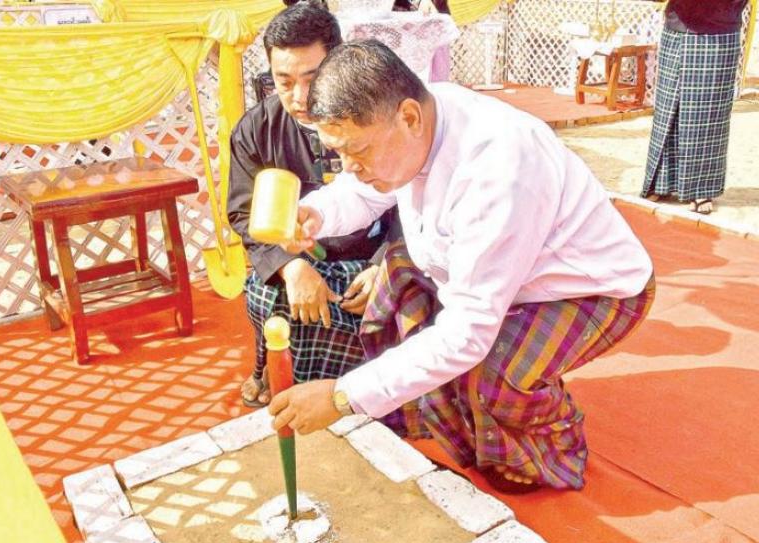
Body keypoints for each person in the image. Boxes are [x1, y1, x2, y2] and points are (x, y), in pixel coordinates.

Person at [269, 40, 655, 493]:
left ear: (409, 117)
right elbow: (364, 188)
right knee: (397, 279)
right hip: (491, 271)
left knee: (492, 372)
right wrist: (316, 213)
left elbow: (468, 332)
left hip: (590, 288)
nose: (350, 168)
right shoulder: (417, 118)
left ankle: (554, 448)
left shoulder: (499, 170)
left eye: (359, 151)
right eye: (340, 153)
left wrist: (342, 397)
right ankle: (436, 418)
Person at [227, 6, 396, 407]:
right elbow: (242, 212)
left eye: (312, 78)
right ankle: (276, 372)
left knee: (397, 296)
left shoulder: (373, 115)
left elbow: (408, 197)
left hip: (371, 256)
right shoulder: (256, 129)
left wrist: (386, 264)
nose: (299, 97)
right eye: (284, 82)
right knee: (267, 294)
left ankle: (362, 386)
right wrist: (291, 266)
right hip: (298, 256)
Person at [641, 0, 749, 214]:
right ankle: (661, 183)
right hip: (678, 25)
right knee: (667, 109)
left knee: (708, 115)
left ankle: (701, 189)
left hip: (719, 29)